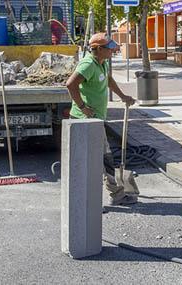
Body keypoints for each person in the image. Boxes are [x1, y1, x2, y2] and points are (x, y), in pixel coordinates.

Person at [66, 33, 137, 206]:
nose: (113, 50)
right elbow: (70, 84)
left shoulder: (102, 63)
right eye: (109, 47)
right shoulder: (88, 64)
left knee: (101, 158)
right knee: (101, 159)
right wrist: (83, 107)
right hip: (85, 121)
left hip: (95, 120)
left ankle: (108, 196)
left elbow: (108, 79)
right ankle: (110, 197)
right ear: (98, 49)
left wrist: (122, 96)